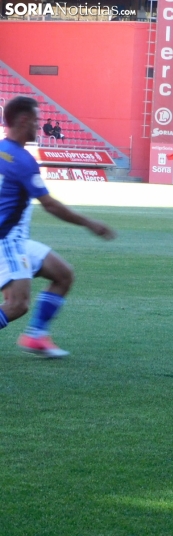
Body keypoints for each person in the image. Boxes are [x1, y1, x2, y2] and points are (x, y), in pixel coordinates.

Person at [0, 96, 116, 358]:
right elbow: (50, 205)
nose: (39, 127)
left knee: (63, 274)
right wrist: (89, 223)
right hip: (6, 240)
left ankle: (36, 335)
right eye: (36, 121)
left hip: (16, 240)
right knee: (17, 305)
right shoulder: (22, 159)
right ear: (23, 120)